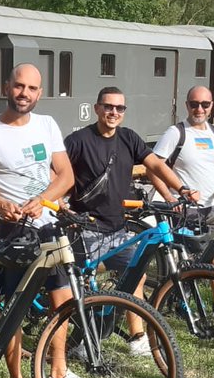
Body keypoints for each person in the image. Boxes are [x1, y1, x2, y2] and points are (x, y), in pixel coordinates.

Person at [0, 63, 89, 378]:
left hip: (49, 226)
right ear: (7, 86)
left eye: (32, 88)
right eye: (19, 86)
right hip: (14, 231)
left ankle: (58, 372)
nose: (24, 94)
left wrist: (44, 198)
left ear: (39, 93)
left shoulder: (47, 125)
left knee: (62, 301)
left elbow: (66, 175)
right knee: (13, 311)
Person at [66, 86, 197, 354]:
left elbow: (156, 165)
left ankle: (137, 337)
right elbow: (58, 173)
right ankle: (78, 341)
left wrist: (180, 189)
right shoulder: (78, 140)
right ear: (97, 108)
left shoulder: (128, 138)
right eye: (108, 107)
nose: (113, 112)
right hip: (86, 229)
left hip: (117, 227)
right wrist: (59, 203)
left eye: (119, 108)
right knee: (80, 288)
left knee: (136, 273)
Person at [151, 85, 214, 210]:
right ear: (187, 105)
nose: (200, 109)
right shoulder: (175, 133)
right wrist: (169, 198)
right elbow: (152, 169)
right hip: (186, 209)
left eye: (205, 104)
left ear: (211, 105)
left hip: (213, 207)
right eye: (194, 104)